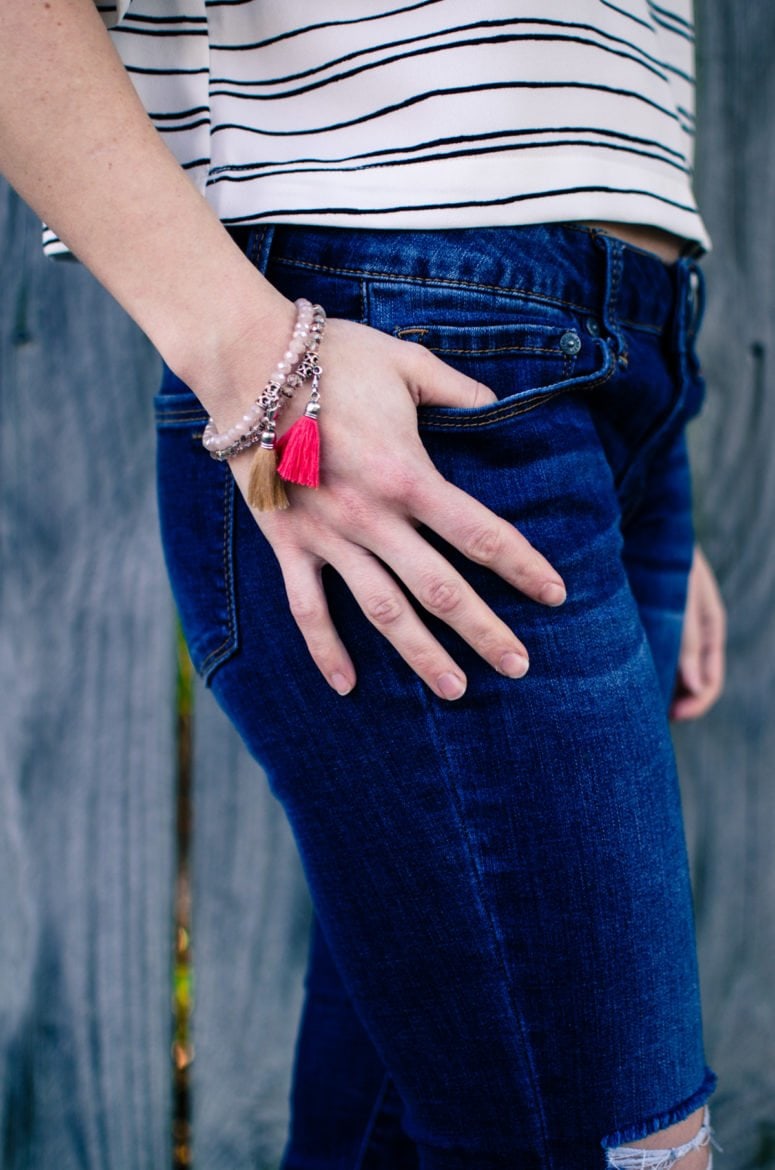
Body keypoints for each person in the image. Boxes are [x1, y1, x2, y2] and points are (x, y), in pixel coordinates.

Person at [0, 2, 726, 1167]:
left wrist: (626, 483)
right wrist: (252, 358)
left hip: (616, 365)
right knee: (630, 1148)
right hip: (407, 352)